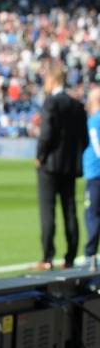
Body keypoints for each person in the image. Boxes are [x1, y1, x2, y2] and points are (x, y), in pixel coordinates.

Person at [32, 64, 88, 271]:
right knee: (70, 211)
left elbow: (46, 134)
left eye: (47, 80)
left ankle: (47, 258)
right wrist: (74, 158)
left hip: (50, 167)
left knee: (48, 212)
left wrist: (40, 156)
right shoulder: (76, 105)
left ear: (54, 80)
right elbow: (84, 138)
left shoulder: (51, 103)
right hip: (70, 167)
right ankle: (70, 258)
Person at [83, 87, 100, 265]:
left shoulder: (94, 121)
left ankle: (90, 255)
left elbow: (97, 149)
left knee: (92, 214)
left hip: (96, 175)